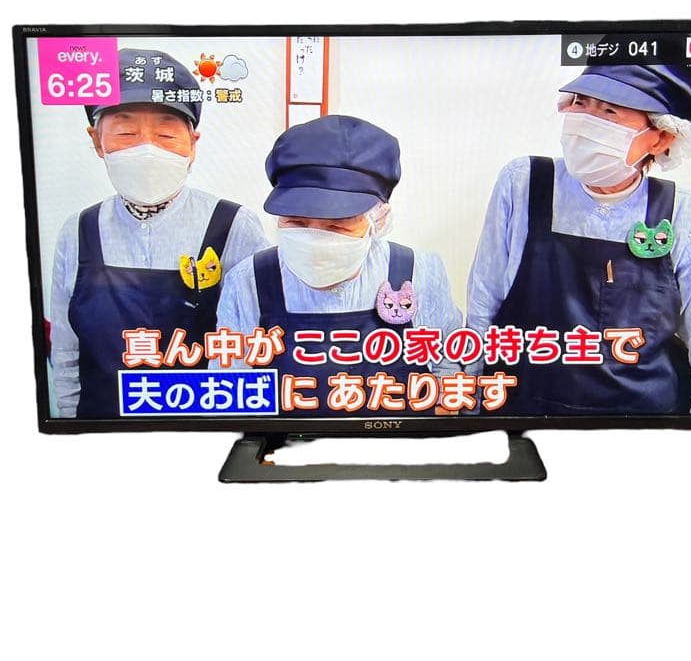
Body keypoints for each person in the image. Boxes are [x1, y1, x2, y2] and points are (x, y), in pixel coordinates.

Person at [467, 63, 691, 416]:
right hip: (524, 412)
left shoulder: (684, 214)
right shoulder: (522, 183)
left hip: (639, 423)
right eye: (580, 102)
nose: (586, 119)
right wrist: (470, 405)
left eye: (609, 111)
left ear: (662, 137)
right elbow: (483, 305)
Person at [50, 48, 268, 418]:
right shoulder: (78, 231)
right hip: (101, 430)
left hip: (202, 429)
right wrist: (72, 426)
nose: (147, 149)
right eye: (126, 132)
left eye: (166, 133)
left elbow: (254, 351)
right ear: (97, 140)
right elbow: (67, 351)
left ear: (193, 145)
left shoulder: (234, 227)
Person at [216, 114, 463, 415]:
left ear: (379, 219)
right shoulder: (249, 281)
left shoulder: (419, 272)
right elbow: (229, 390)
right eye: (296, 222)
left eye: (337, 225)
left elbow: (450, 371)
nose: (315, 240)